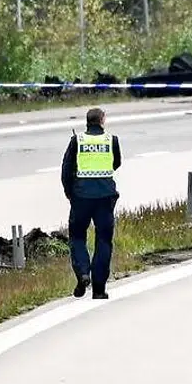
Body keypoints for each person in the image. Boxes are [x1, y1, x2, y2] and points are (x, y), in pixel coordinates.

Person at [61, 107, 122, 299]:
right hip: (105, 197)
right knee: (103, 241)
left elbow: (66, 169)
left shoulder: (77, 141)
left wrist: (69, 192)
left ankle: (83, 273)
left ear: (87, 122)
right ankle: (99, 289)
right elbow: (116, 163)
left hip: (81, 197)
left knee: (77, 237)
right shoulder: (111, 140)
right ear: (102, 120)